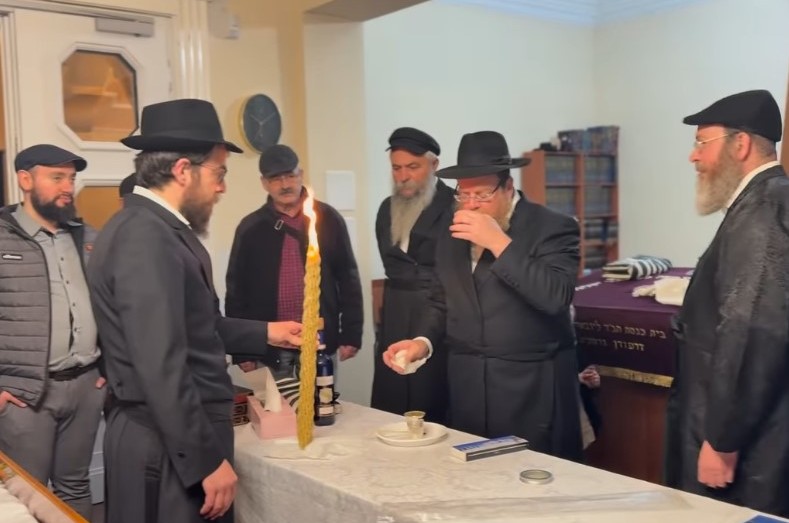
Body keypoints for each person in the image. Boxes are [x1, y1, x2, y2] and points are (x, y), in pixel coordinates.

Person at [87, 99, 303, 523]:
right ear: (184, 170)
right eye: (219, 173)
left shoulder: (153, 227)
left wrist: (267, 332)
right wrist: (203, 459)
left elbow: (193, 326)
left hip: (170, 435)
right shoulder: (145, 237)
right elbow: (160, 363)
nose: (222, 188)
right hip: (166, 444)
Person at [383, 130, 583, 460]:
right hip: (467, 388)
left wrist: (499, 243)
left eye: (482, 194)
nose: (472, 204)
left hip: (532, 390)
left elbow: (555, 296)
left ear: (508, 187)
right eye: (464, 194)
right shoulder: (452, 228)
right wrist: (422, 342)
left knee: (531, 482)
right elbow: (441, 297)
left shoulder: (553, 226)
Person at [664, 89, 789, 516]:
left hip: (748, 446)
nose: (693, 156)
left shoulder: (764, 209)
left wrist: (722, 440)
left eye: (702, 142)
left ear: (741, 144)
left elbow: (751, 330)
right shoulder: (761, 202)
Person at [0, 144, 106, 520]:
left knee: (75, 486)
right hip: (24, 395)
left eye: (71, 178)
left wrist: (110, 367)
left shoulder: (88, 237)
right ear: (25, 179)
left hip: (86, 386)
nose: (67, 187)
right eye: (57, 177)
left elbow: (114, 306)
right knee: (28, 496)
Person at [225, 144, 363, 378]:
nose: (285, 185)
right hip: (270, 348)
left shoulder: (328, 219)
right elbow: (237, 291)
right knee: (276, 403)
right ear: (264, 183)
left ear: (301, 175)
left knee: (322, 401)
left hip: (318, 340)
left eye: (290, 176)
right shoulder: (250, 228)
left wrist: (351, 334)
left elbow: (348, 278)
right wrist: (241, 350)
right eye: (275, 179)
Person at [370, 127, 453, 422]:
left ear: (434, 165)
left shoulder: (454, 206)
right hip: (395, 314)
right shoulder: (386, 209)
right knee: (391, 405)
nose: (403, 176)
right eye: (396, 168)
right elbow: (392, 267)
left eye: (412, 167)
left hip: (437, 315)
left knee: (430, 406)